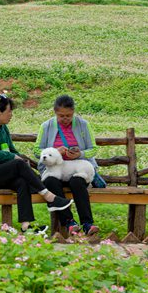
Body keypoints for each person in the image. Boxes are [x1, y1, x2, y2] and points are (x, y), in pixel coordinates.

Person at [0, 93, 73, 234]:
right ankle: (49, 196)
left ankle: (26, 226)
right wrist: (14, 158)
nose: (11, 114)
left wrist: (19, 158)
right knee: (17, 164)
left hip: (1, 172)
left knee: (21, 182)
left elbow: (12, 150)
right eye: (9, 111)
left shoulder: (3, 128)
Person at [35, 95, 100, 236]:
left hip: (78, 168)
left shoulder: (83, 125)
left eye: (69, 116)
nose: (65, 119)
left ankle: (87, 223)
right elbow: (36, 150)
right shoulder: (46, 126)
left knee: (77, 182)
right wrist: (54, 152)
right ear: (54, 112)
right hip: (54, 169)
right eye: (61, 116)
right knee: (51, 181)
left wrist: (80, 154)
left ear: (74, 112)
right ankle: (69, 222)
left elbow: (93, 149)